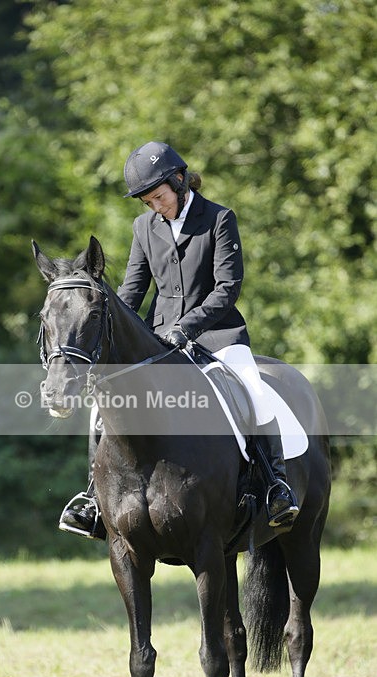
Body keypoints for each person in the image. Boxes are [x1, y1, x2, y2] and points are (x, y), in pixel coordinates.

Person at [60, 141, 299, 538]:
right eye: (148, 202)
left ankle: (276, 484)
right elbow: (132, 290)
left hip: (218, 333)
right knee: (103, 404)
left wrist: (188, 326)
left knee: (253, 388)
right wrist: (122, 332)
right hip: (159, 340)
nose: (156, 207)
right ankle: (92, 498)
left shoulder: (219, 219)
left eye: (159, 197)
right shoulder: (144, 228)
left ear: (180, 180)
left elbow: (227, 287)